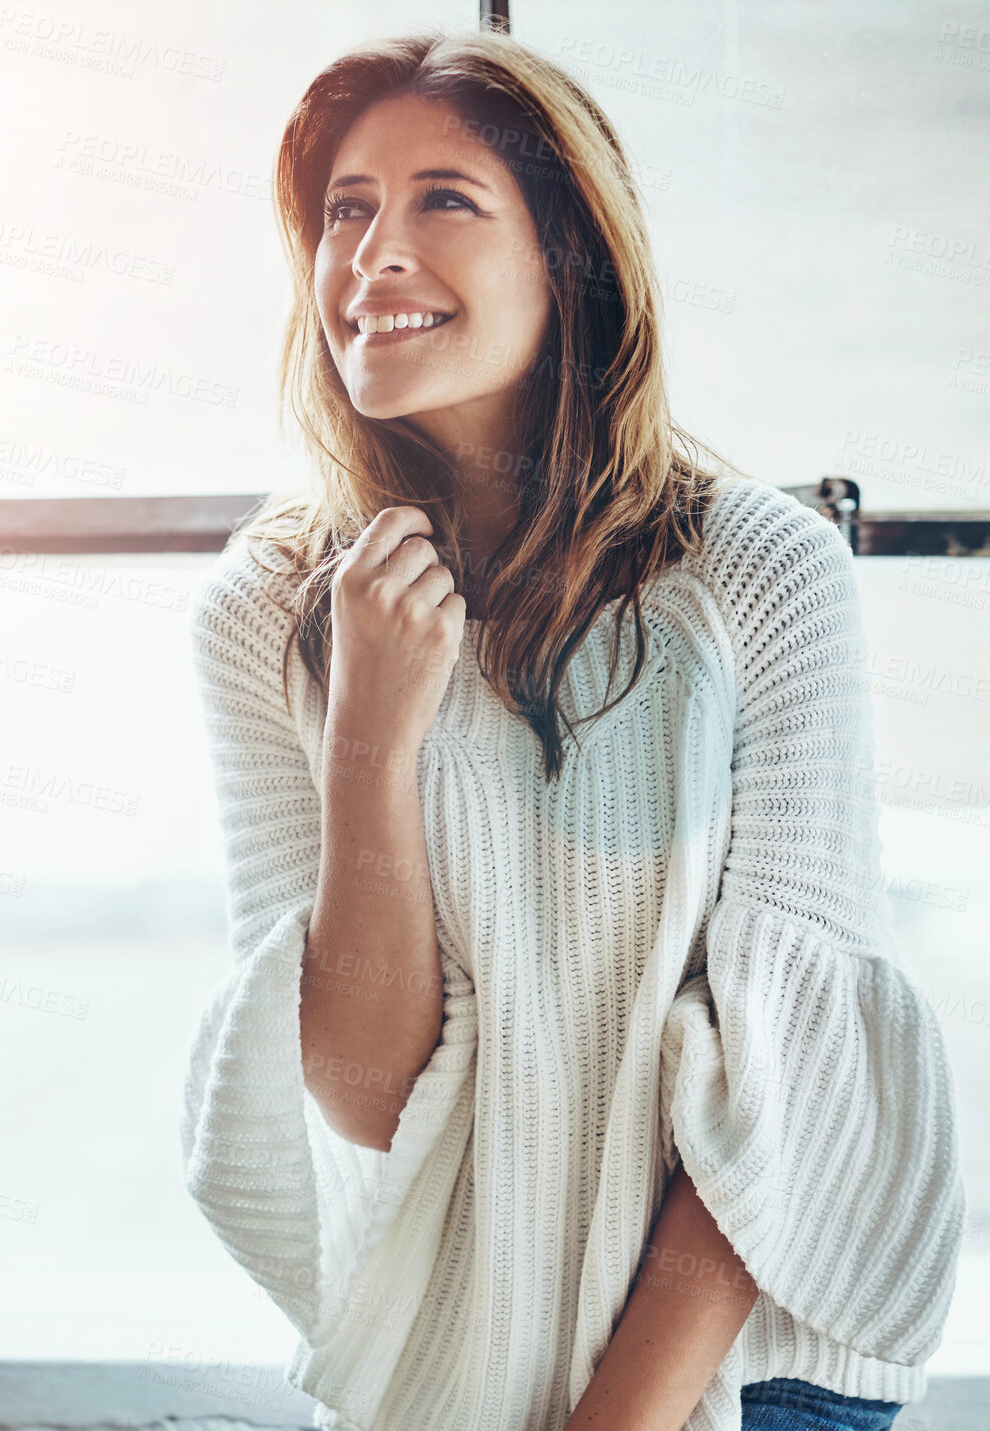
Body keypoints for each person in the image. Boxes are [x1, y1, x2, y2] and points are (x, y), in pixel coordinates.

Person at [179, 26, 965, 1431]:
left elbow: (785, 1080)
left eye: (444, 202)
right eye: (344, 209)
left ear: (572, 260)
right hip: (445, 1362)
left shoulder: (759, 575)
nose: (371, 254)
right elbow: (364, 1095)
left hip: (741, 1371)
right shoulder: (273, 610)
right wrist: (370, 734)